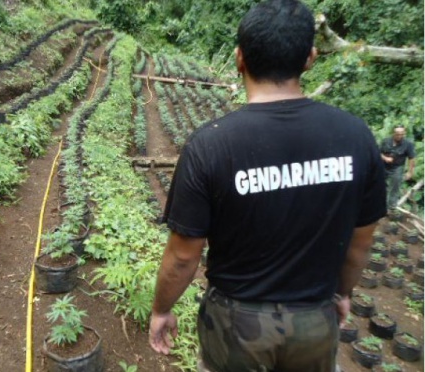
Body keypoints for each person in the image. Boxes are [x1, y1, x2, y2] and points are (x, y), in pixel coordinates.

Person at [148, 1, 387, 371]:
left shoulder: (211, 145)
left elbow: (183, 256)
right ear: (310, 57)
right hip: (315, 318)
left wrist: (162, 309)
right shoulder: (356, 138)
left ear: (239, 58)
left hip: (235, 324)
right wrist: (342, 293)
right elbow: (360, 243)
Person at [380, 126, 415, 209]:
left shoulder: (408, 144)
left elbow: (412, 158)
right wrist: (385, 158)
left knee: (395, 185)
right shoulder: (386, 141)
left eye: (402, 134)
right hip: (384, 165)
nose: (400, 136)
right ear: (394, 134)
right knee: (380, 185)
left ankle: (391, 207)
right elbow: (378, 152)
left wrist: (410, 172)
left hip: (397, 167)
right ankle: (379, 204)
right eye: (398, 134)